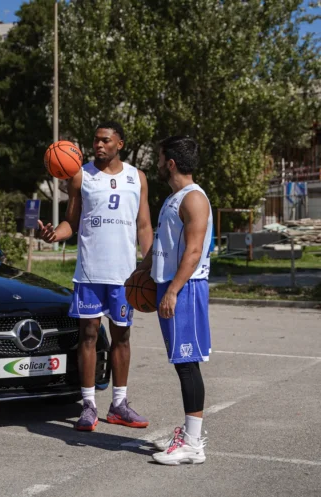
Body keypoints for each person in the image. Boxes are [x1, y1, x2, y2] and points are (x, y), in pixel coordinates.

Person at [38, 122, 154, 431]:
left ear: (120, 144)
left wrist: (151, 262)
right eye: (96, 140)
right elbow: (70, 222)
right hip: (90, 272)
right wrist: (54, 235)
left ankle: (119, 404)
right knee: (88, 336)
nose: (98, 145)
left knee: (122, 336)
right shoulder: (80, 175)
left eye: (105, 140)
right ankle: (88, 405)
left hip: (124, 275)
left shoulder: (136, 177)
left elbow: (144, 225)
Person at [131, 135, 212, 465]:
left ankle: (193, 443)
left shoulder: (194, 199)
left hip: (187, 289)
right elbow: (162, 244)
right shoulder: (173, 198)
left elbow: (193, 251)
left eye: (161, 157)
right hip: (169, 285)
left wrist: (174, 291)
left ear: (171, 163)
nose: (159, 161)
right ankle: (187, 435)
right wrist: (142, 270)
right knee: (181, 363)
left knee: (187, 364)